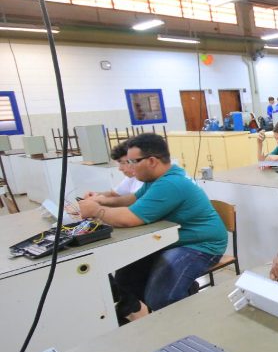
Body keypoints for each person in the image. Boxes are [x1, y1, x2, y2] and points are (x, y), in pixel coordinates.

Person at [78, 133, 227, 321]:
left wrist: (97, 210)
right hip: (177, 240)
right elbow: (131, 199)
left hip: (201, 245)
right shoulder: (156, 180)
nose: (129, 168)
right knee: (126, 276)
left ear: (151, 161)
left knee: (162, 297)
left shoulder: (171, 183)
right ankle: (172, 303)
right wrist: (102, 201)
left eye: (133, 161)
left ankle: (187, 323)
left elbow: (130, 218)